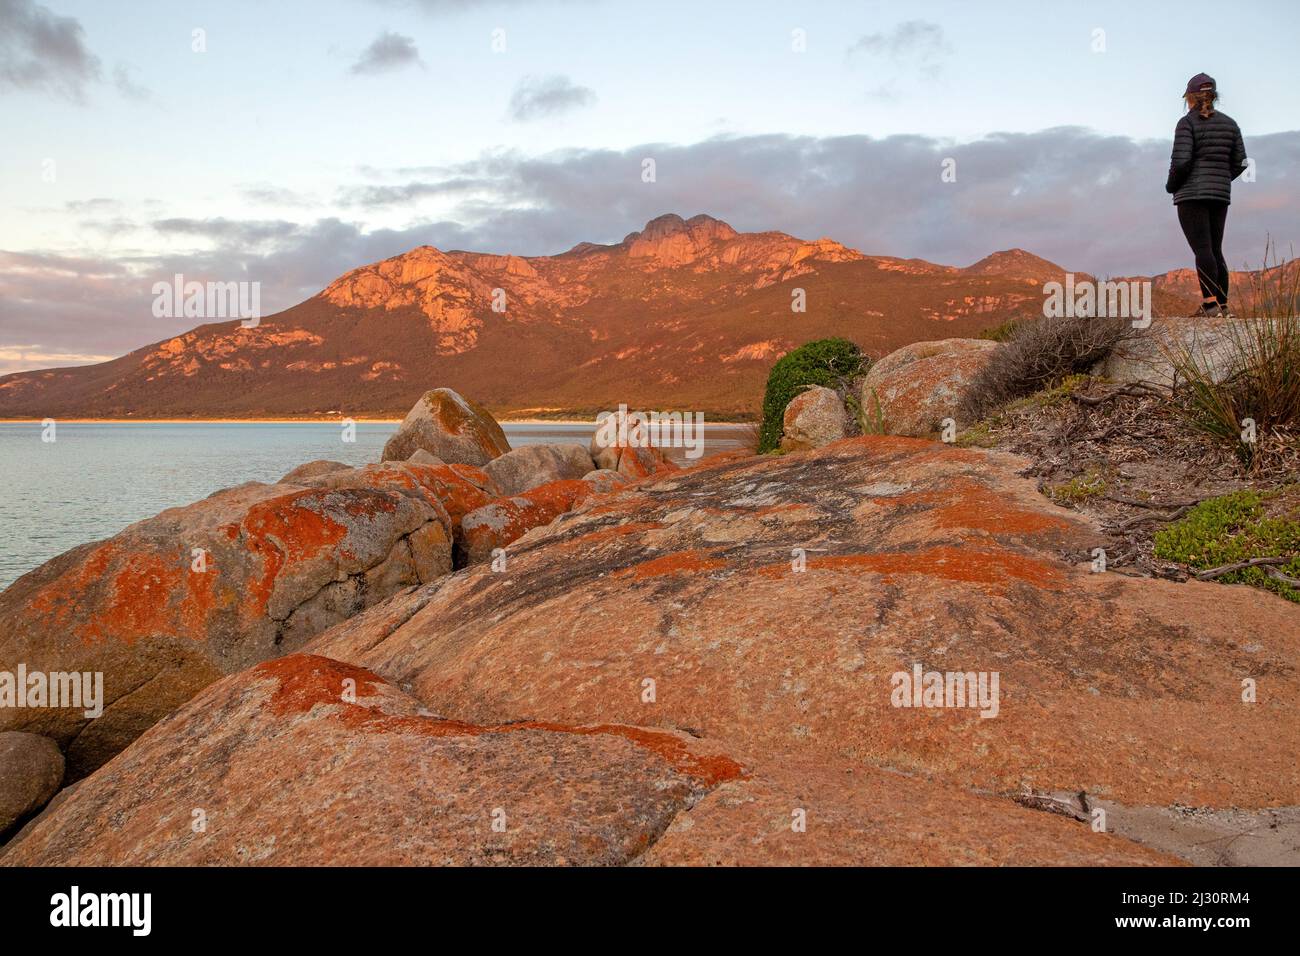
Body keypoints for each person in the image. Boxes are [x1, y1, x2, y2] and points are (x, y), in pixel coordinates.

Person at [1165, 73, 1248, 317]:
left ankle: (1210, 305)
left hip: (1191, 195)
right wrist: (1221, 179)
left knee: (1202, 249)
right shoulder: (1230, 124)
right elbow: (1242, 162)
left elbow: (1181, 162)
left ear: (1189, 97)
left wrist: (1172, 186)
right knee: (1215, 249)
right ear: (1214, 96)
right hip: (1220, 195)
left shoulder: (1186, 123)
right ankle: (1222, 306)